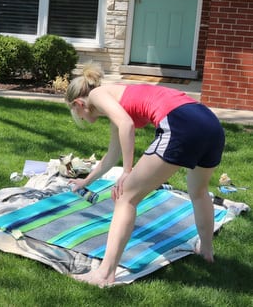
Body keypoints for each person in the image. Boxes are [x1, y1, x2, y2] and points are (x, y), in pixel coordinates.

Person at [64, 62, 225, 287]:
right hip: (210, 124)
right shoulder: (114, 99)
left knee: (125, 196)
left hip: (181, 123)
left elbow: (127, 126)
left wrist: (127, 172)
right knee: (199, 191)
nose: (79, 117)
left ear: (79, 103)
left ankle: (104, 274)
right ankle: (206, 251)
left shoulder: (98, 94)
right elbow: (112, 156)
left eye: (76, 113)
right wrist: (86, 181)